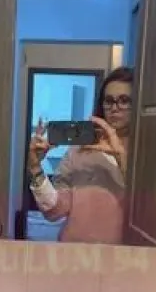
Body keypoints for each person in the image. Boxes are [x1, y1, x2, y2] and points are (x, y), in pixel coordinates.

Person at [27, 67, 134, 244]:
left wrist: (121, 156)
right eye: (109, 101)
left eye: (124, 100)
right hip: (74, 251)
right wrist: (35, 168)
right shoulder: (80, 149)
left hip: (124, 254)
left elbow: (147, 209)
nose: (115, 108)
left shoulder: (146, 153)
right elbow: (54, 210)